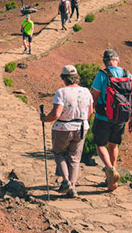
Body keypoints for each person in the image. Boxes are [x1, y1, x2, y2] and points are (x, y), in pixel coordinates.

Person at [40, 65, 94, 198]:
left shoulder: (62, 92)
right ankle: (73, 187)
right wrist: (82, 121)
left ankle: (65, 181)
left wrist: (45, 119)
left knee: (59, 153)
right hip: (81, 127)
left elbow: (56, 114)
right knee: (75, 158)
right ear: (76, 77)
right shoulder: (86, 91)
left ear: (64, 78)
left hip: (63, 128)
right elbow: (90, 111)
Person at [90, 49, 132, 192]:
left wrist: (87, 114)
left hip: (103, 117)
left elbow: (94, 97)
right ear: (118, 60)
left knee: (100, 145)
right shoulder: (127, 74)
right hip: (121, 118)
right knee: (113, 144)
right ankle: (110, 177)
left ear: (105, 61)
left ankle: (110, 170)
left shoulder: (103, 74)